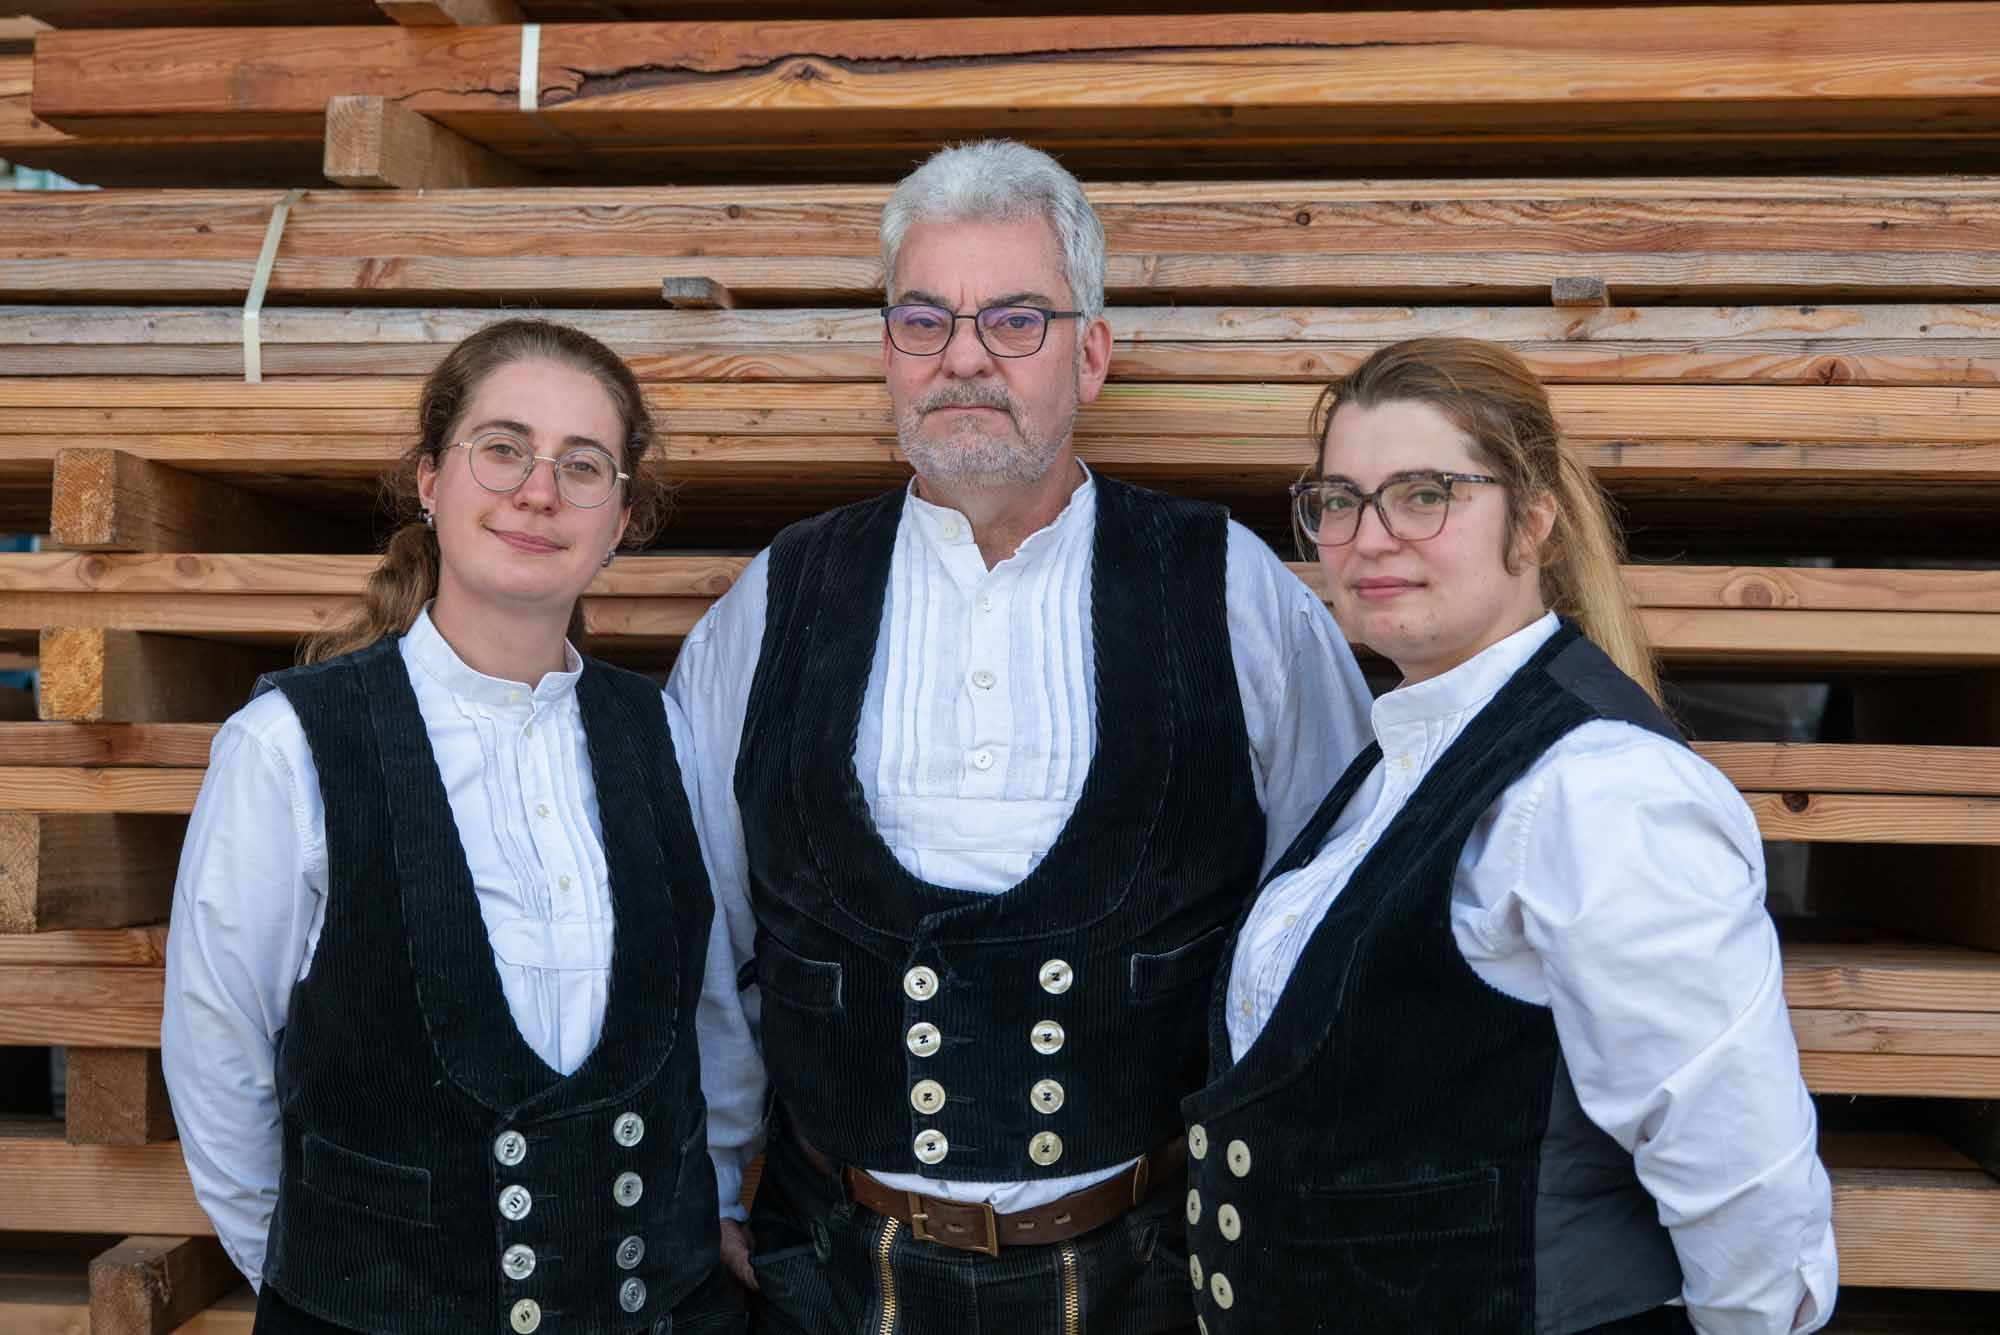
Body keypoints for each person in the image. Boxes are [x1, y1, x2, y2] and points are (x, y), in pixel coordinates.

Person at [668, 139, 1373, 1333]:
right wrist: (710, 1171)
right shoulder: (777, 598)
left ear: (1088, 354)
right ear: (887, 353)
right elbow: (702, 931)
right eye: (922, 320)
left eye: (1013, 321)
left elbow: (1331, 922)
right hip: (829, 1276)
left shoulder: (1229, 588)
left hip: (1152, 1278)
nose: (962, 358)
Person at [1179, 337, 1838, 1334]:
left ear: (1531, 521)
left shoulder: (1598, 789)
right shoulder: (1397, 759)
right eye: (1339, 501)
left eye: (1424, 495)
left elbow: (1743, 1180)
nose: (1369, 538)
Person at [162, 318, 743, 1334]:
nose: (538, 491)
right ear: (431, 481)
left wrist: (711, 1205)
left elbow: (709, 1018)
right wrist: (329, 1287)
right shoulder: (288, 746)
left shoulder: (661, 732)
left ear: (620, 520)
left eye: (583, 466)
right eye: (503, 448)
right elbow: (217, 1053)